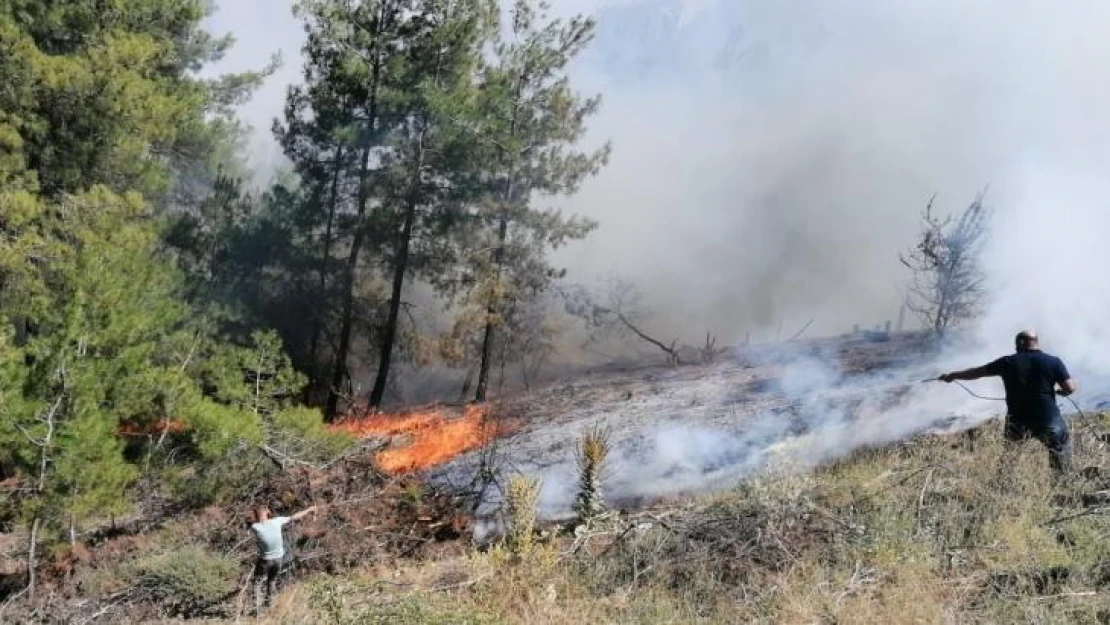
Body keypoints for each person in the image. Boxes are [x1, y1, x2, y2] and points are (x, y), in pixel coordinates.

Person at [938, 330, 1078, 476]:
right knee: (1059, 449)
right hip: (1048, 419)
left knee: (1011, 457)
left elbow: (977, 372)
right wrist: (1064, 392)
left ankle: (1006, 485)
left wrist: (953, 375)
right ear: (1036, 341)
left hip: (1017, 420)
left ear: (1021, 342)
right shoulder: (1054, 361)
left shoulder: (1007, 362)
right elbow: (1070, 387)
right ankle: (1062, 483)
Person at [250, 503, 317, 610]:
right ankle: (269, 605)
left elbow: (258, 525)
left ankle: (257, 609)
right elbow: (295, 516)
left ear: (256, 515)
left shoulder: (255, 527)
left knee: (257, 582)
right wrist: (309, 509)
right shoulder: (277, 521)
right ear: (267, 512)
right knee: (271, 581)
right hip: (278, 559)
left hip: (265, 560)